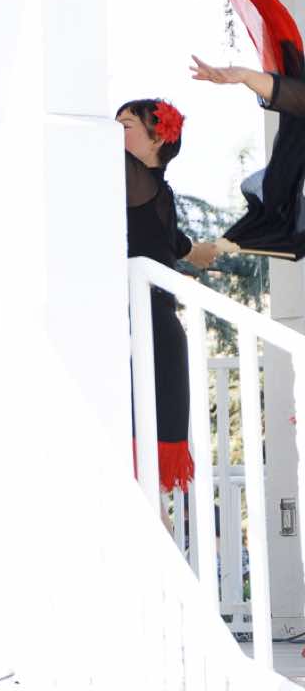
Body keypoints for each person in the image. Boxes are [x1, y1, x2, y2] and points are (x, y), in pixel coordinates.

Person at [118, 95, 217, 493]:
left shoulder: (144, 185)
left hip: (153, 331)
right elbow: (170, 240)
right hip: (138, 327)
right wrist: (195, 251)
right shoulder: (143, 193)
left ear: (157, 139)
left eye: (124, 126)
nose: (112, 134)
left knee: (140, 468)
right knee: (130, 470)